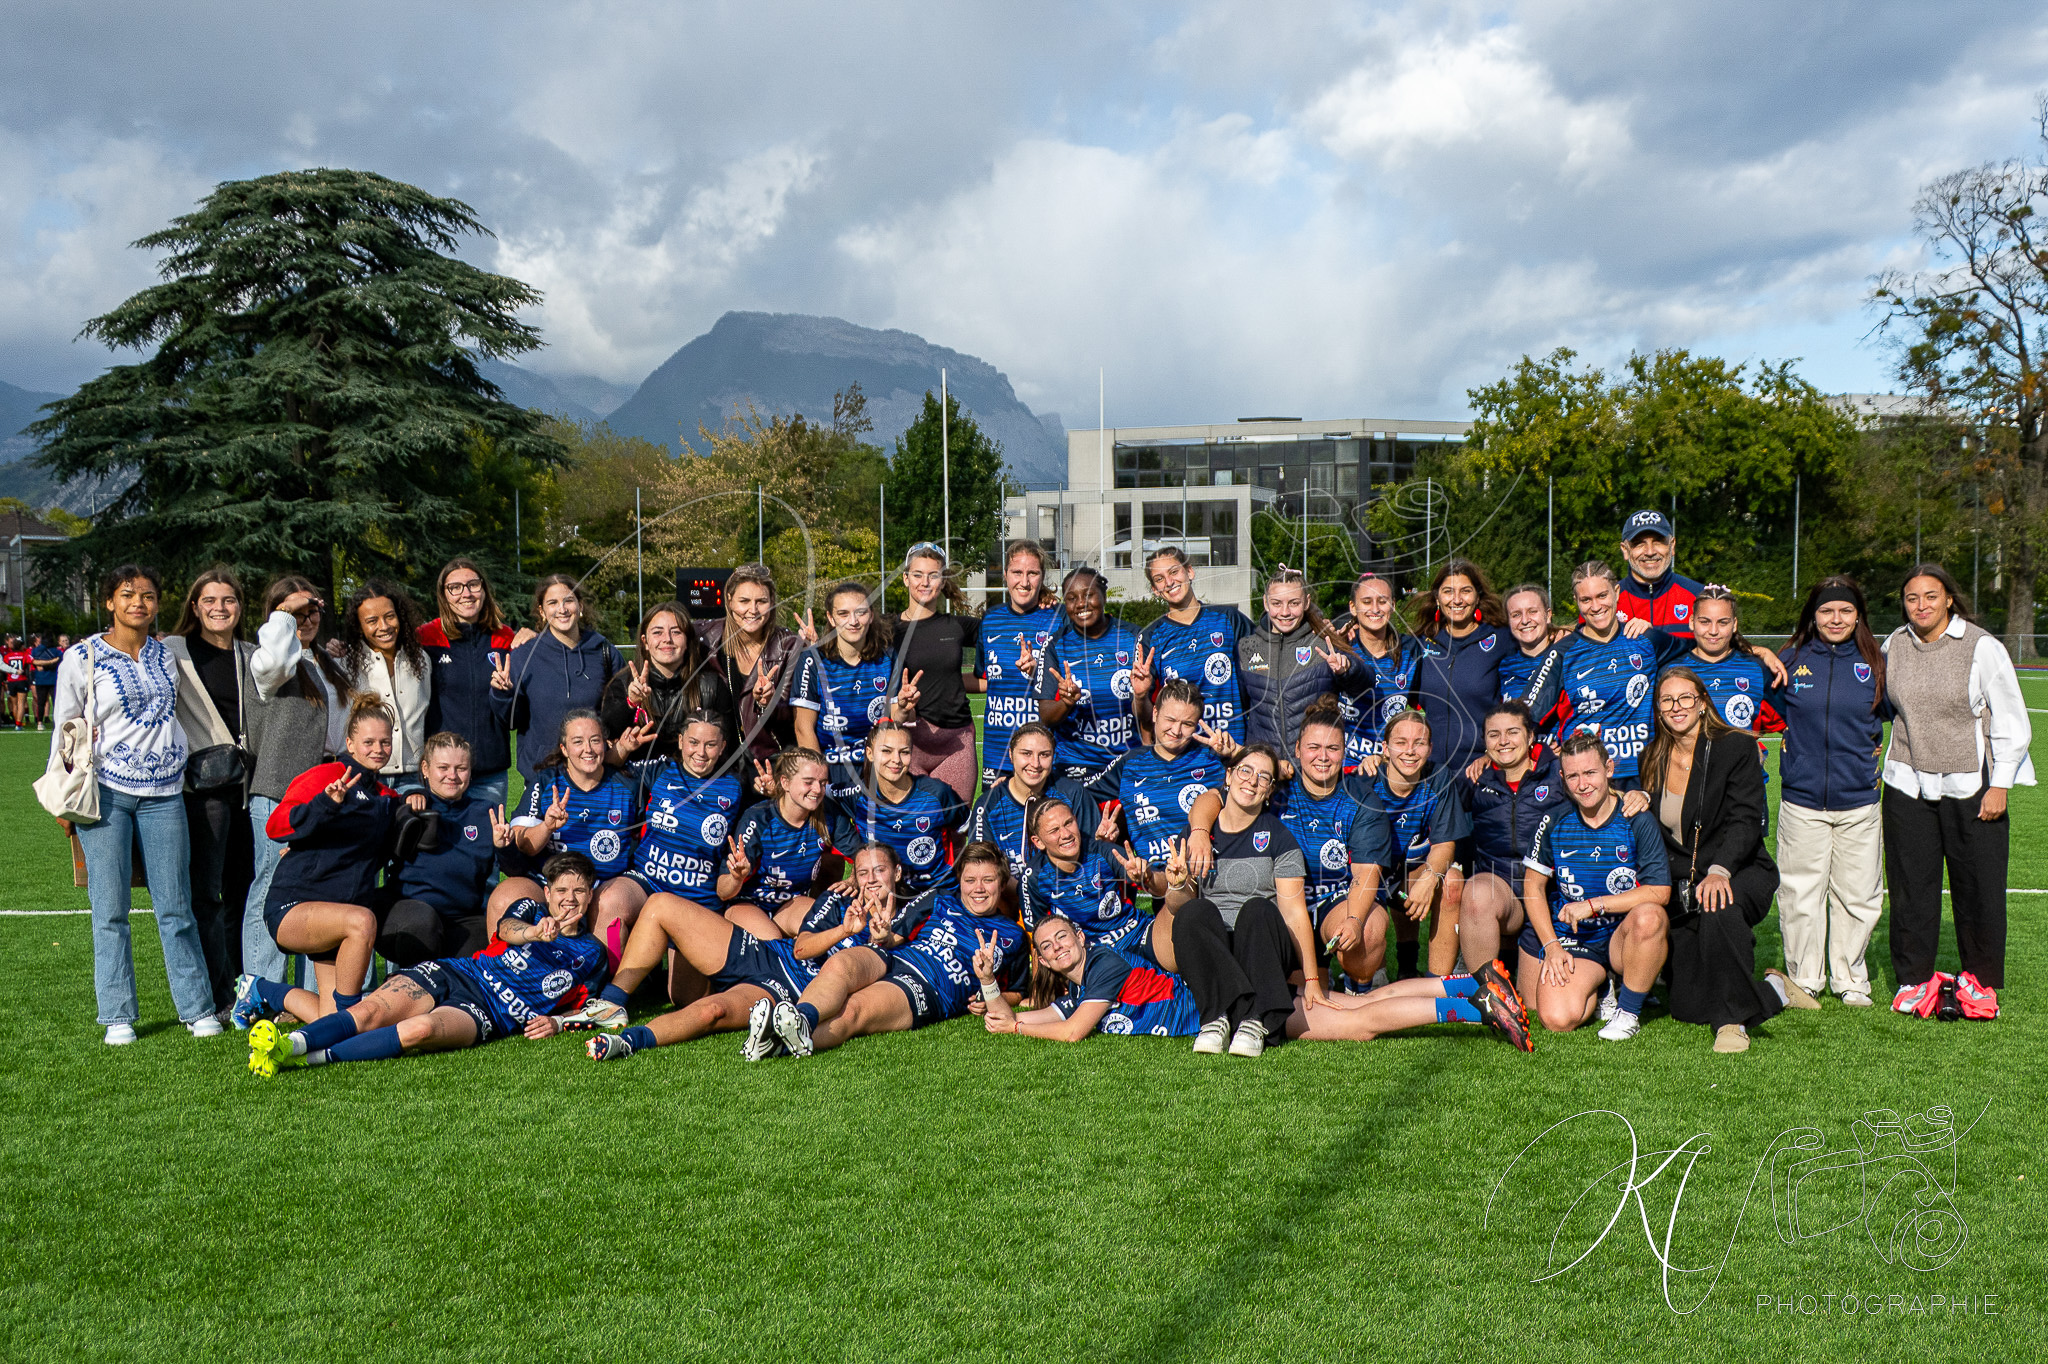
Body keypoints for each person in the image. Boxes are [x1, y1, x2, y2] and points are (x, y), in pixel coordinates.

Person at [243, 853, 608, 1076]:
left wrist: (557, 1022)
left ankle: (296, 1043)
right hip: (459, 972)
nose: (569, 899)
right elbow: (506, 929)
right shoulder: (531, 911)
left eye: (578, 891)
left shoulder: (592, 954)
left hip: (488, 1012)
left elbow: (597, 1008)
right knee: (368, 1013)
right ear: (547, 893)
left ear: (590, 895)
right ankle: (288, 1044)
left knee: (419, 1030)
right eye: (561, 891)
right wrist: (533, 933)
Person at [52, 564, 216, 1046]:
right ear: (109, 602)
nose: (138, 603)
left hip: (166, 793)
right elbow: (64, 730)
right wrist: (66, 801)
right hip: (104, 793)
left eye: (147, 595)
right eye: (127, 595)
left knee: (176, 906)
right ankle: (117, 1014)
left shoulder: (167, 656)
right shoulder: (81, 657)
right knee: (110, 910)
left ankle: (196, 1007)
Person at [976, 908, 1529, 1050]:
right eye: (1046, 947)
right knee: (1357, 1002)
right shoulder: (1076, 988)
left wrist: (1017, 1031)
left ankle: (1476, 1005)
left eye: (1061, 937)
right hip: (1240, 995)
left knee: (1358, 1024)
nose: (1055, 946)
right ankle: (1467, 983)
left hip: (1237, 1007)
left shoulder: (1104, 964)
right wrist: (992, 992)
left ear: (1077, 937)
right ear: (1045, 961)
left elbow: (1071, 1032)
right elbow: (1038, 1015)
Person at [574, 843, 913, 1057]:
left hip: (790, 992)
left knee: (713, 1011)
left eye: (879, 871)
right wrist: (844, 930)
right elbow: (802, 949)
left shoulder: (911, 918)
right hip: (773, 956)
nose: (870, 879)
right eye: (863, 871)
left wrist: (880, 938)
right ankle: (613, 1002)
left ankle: (629, 1041)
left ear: (896, 873)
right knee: (661, 905)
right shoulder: (838, 899)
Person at [1881, 564, 2033, 1020]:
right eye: (1912, 598)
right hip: (1906, 782)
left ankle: (1979, 983)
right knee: (1910, 888)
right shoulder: (1893, 645)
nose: (1921, 605)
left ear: (1949, 598)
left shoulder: (1981, 646)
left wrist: (2001, 782)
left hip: (1973, 785)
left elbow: (2010, 716)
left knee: (1979, 888)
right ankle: (1914, 981)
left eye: (1931, 596)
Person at [1643, 668, 1811, 1052]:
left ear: (1702, 703)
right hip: (1686, 884)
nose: (1677, 707)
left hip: (1741, 870)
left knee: (1719, 905)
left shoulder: (1734, 746)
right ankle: (1775, 989)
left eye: (1686, 698)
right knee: (1686, 1007)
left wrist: (1720, 870)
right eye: (1667, 700)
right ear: (1658, 710)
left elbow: (1746, 819)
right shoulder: (1652, 756)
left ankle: (1731, 1023)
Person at [748, 841, 1027, 1058]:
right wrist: (883, 936)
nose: (978, 889)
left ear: (1002, 884)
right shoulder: (940, 900)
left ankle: (776, 1043)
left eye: (988, 880)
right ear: (960, 882)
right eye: (970, 880)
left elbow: (1019, 992)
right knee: (842, 963)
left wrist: (987, 992)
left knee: (853, 1013)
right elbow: (895, 937)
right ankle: (801, 1017)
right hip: (894, 958)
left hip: (929, 985)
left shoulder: (1013, 935)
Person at [1185, 698, 1391, 990]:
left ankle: (1361, 980)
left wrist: (1355, 920)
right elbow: (1212, 797)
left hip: (1339, 899)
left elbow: (1365, 874)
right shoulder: (1273, 786)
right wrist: (1199, 832)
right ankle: (1321, 973)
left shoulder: (1362, 800)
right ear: (1297, 750)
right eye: (1313, 748)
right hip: (1285, 905)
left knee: (1366, 934)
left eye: (1332, 748)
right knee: (1299, 996)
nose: (1323, 757)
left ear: (1344, 753)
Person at [257, 695, 423, 1019]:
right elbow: (276, 826)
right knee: (363, 921)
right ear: (350, 742)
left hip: (339, 920)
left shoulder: (387, 799)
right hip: (295, 906)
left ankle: (262, 990)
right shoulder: (328, 775)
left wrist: (421, 795)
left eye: (385, 742)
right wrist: (325, 805)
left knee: (325, 1017)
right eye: (369, 742)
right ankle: (351, 1023)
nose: (378, 749)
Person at [1774, 575, 1888, 1007]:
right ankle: (1805, 977)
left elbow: (1897, 715)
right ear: (1813, 615)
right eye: (1826, 610)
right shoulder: (1792, 657)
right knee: (1801, 893)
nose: (1835, 618)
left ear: (1858, 614)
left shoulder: (1876, 661)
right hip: (1801, 800)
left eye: (1845, 610)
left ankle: (1851, 978)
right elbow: (1771, 710)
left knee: (1858, 895)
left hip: (1859, 799)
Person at [1519, 733, 1672, 1040]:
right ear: (1562, 778)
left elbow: (1660, 891)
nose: (1583, 784)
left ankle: (1627, 1013)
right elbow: (1532, 888)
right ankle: (1602, 986)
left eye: (1590, 772)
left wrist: (1592, 905)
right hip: (1578, 939)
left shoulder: (1635, 817)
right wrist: (1551, 947)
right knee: (1556, 1018)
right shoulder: (1554, 820)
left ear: (1609, 769)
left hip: (1622, 938)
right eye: (1573, 776)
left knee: (1651, 916)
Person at [242, 577, 351, 986]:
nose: (305, 619)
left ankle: (313, 992)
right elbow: (276, 660)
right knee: (271, 888)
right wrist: (285, 617)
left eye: (312, 610)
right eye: (293, 612)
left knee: (318, 891)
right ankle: (259, 988)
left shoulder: (329, 663)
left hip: (328, 790)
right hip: (280, 790)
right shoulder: (267, 660)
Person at [162, 566, 259, 1016]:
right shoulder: (172, 651)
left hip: (250, 789)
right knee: (207, 895)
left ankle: (246, 985)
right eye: (210, 601)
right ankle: (217, 992)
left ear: (240, 606)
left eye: (229, 600)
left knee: (245, 890)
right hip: (202, 792)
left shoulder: (253, 653)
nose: (220, 608)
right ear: (195, 606)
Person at [1524, 561, 1692, 790]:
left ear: (1616, 592)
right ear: (1576, 601)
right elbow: (1525, 714)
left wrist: (1755, 651)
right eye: (1586, 600)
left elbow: (1703, 648)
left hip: (1647, 776)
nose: (1595, 606)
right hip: (1589, 781)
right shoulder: (1563, 652)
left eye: (1602, 595)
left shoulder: (1646, 639)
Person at [492, 709, 642, 962]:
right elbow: (523, 843)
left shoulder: (628, 783)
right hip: (548, 881)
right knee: (505, 895)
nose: (588, 749)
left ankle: (605, 988)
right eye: (578, 741)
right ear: (564, 748)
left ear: (606, 744)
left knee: (610, 902)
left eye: (595, 740)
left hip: (605, 882)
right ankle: (505, 974)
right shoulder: (547, 781)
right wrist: (547, 826)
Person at [1349, 709, 1469, 979]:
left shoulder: (1439, 778)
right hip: (1368, 873)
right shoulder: (1365, 781)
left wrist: (1430, 877)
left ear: (1430, 748)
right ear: (1385, 748)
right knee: (1370, 881)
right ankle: (1370, 973)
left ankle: (1436, 983)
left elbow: (1444, 845)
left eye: (1419, 743)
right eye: (1401, 742)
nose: (1410, 751)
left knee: (1451, 881)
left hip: (1410, 871)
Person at [366, 731, 502, 968]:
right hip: (408, 910)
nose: (452, 775)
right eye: (443, 767)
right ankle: (408, 989)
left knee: (483, 955)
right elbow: (363, 846)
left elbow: (516, 866)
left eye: (461, 768)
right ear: (425, 769)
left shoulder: (486, 812)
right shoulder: (407, 806)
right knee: (423, 925)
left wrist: (506, 847)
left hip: (463, 916)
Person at [1083, 678, 1228, 883]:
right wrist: (1097, 834)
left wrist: (1236, 753)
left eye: (1187, 724)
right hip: (1157, 879)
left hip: (1209, 874)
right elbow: (1078, 795)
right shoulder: (1131, 763)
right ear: (1155, 714)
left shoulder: (1213, 760)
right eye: (1170, 720)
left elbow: (1263, 773)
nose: (1176, 731)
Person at [491, 573, 625, 793]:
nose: (562, 609)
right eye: (552, 603)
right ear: (542, 612)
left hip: (594, 776)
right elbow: (512, 721)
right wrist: (503, 694)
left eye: (568, 601)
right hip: (541, 777)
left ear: (580, 606)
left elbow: (618, 710)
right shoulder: (524, 655)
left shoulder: (604, 651)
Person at [791, 580, 919, 800]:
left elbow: (896, 719)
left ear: (870, 616)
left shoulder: (887, 659)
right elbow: (804, 728)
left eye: (860, 613)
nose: (853, 621)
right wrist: (818, 778)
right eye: (843, 614)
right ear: (831, 618)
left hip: (877, 768)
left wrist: (905, 708)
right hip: (830, 767)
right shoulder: (812, 660)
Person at [1236, 568, 1371, 758]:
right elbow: (1240, 710)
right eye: (1276, 603)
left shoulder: (1324, 641)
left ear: (1306, 602)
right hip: (1266, 770)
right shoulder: (1246, 647)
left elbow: (1366, 684)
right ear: (1266, 603)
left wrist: (1346, 670)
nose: (1285, 612)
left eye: (1294, 603)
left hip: (1313, 766)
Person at [601, 600, 735, 786]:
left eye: (676, 632)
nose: (667, 639)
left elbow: (727, 746)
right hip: (635, 785)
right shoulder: (623, 684)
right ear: (645, 642)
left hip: (692, 788)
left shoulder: (712, 685)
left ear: (688, 641)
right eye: (657, 632)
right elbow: (604, 736)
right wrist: (630, 703)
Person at [827, 720, 969, 896]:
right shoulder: (857, 795)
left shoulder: (937, 794)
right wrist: (856, 855)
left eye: (904, 752)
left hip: (936, 895)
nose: (896, 760)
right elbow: (819, 795)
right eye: (886, 751)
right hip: (882, 893)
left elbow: (973, 829)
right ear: (870, 754)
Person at [696, 563, 804, 792]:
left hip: (770, 760)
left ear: (772, 602)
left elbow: (795, 718)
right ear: (729, 600)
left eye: (761, 602)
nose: (752, 610)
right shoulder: (706, 639)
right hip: (718, 760)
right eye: (744, 601)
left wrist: (769, 702)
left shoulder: (788, 646)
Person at [418, 558, 517, 807]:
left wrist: (532, 636)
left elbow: (516, 711)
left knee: (487, 843)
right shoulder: (426, 637)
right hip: (443, 772)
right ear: (444, 595)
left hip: (489, 772)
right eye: (455, 587)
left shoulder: (506, 638)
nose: (466, 593)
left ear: (483, 589)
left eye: (473, 584)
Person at [624, 708, 744, 910]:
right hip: (647, 883)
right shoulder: (660, 770)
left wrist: (770, 790)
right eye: (694, 742)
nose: (701, 752)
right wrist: (622, 749)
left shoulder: (735, 787)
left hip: (698, 897)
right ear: (681, 741)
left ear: (722, 747)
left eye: (711, 745)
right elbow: (606, 769)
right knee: (611, 901)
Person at [887, 543, 981, 800]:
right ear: (906, 579)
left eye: (933, 575)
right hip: (908, 742)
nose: (924, 582)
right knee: (906, 827)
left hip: (956, 742)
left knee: (956, 826)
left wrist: (1042, 601)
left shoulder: (958, 627)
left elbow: (1007, 628)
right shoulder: (886, 629)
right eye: (917, 574)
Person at [1133, 545, 1252, 744]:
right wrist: (1140, 695)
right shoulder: (1151, 637)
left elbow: (1264, 667)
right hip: (1185, 756)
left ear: (1189, 571)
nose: (1169, 582)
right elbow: (1144, 717)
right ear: (1155, 590)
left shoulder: (1228, 619)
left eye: (1174, 572)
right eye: (1159, 579)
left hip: (1233, 748)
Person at [719, 747, 842, 939]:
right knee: (772, 942)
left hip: (790, 904)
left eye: (823, 783)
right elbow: (723, 891)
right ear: (784, 782)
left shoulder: (829, 814)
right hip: (748, 903)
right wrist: (736, 877)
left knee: (826, 923)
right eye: (808, 782)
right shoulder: (758, 818)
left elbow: (858, 853)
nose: (817, 790)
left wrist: (854, 879)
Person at [1034, 565, 1141, 781]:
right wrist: (1066, 702)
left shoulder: (1134, 638)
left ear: (1103, 596)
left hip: (1128, 762)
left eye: (1089, 595)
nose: (1081, 603)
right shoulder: (1056, 646)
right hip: (1076, 766)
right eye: (1071, 598)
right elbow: (1046, 716)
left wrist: (1142, 693)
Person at [1409, 558, 1517, 772]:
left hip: (1482, 769)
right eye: (1448, 591)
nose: (1457, 600)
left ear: (1477, 597)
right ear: (1437, 598)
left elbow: (1537, 644)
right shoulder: (1420, 643)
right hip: (1431, 771)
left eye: (1465, 591)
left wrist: (1560, 634)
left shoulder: (1502, 639)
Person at [977, 541, 1061, 787]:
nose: (1024, 582)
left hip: (1041, 755)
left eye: (1032, 573)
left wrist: (1040, 671)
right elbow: (985, 678)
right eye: (1017, 573)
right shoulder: (991, 620)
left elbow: (1073, 682)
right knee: (998, 822)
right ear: (1005, 575)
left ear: (1042, 577)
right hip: (998, 753)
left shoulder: (1059, 618)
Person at [965, 722, 1094, 880]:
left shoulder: (1073, 794)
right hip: (1009, 898)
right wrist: (1023, 894)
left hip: (1063, 894)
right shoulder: (988, 805)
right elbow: (981, 867)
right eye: (1026, 754)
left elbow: (1091, 856)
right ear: (1011, 755)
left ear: (1053, 757)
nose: (1035, 764)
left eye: (1044, 755)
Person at [340, 579, 432, 792]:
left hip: (414, 777)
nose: (384, 626)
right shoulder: (346, 665)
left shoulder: (421, 660)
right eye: (372, 620)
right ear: (359, 626)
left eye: (390, 616)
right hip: (364, 775)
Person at [1018, 795, 1142, 947]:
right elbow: (1039, 939)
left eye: (1068, 823)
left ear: (1076, 820)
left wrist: (1148, 876)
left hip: (1134, 933)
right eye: (1054, 830)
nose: (1066, 834)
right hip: (1091, 954)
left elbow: (1160, 888)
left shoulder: (1104, 851)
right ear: (1038, 842)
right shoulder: (1034, 877)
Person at [1333, 572, 1418, 769]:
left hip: (1389, 766)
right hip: (1343, 768)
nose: (1375, 609)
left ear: (1393, 606)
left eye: (1382, 601)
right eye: (1366, 601)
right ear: (1353, 607)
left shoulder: (1411, 651)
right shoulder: (1341, 648)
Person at [1616, 509, 1704, 639]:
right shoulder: (1606, 602)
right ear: (1625, 550)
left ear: (1672, 546)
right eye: (1639, 543)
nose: (1650, 552)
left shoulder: (1700, 597)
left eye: (1658, 541)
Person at [31, 631, 61, 728]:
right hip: (53, 679)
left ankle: (40, 722)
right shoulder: (56, 651)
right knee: (56, 701)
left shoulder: (36, 651)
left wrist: (42, 666)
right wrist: (50, 664)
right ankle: (57, 721)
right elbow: (59, 661)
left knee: (41, 702)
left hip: (40, 679)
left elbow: (33, 662)